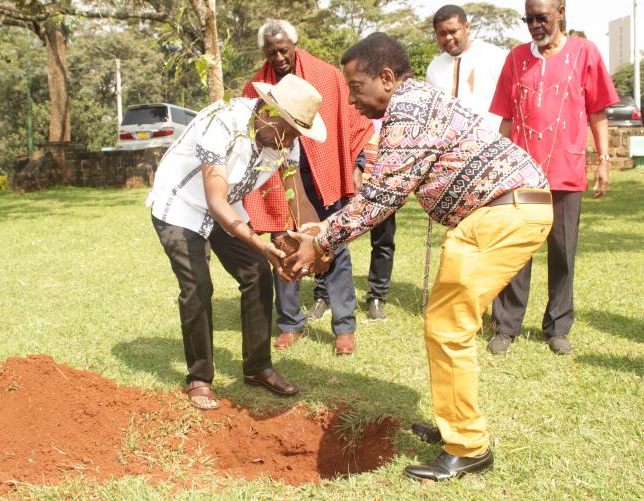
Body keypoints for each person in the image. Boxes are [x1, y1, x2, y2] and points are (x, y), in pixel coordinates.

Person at [285, 33, 553, 481]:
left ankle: (468, 446)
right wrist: (323, 230)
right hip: (506, 210)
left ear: (387, 78)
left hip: (503, 213)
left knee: (448, 326)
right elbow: (385, 188)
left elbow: (381, 197)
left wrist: (323, 238)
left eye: (355, 87)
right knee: (445, 322)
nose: (352, 101)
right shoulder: (413, 101)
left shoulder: (407, 111)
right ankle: (455, 427)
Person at [146, 74, 325, 410]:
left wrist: (315, 238)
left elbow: (296, 196)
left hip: (227, 209)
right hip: (180, 206)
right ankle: (199, 377)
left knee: (257, 273)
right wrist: (261, 243)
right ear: (270, 113)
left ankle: (258, 367)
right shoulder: (222, 120)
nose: (290, 142)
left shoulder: (286, 140)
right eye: (290, 131)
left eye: (297, 134)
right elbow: (215, 201)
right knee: (197, 284)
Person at [487, 0, 618, 355]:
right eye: (528, 18)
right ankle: (506, 326)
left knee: (562, 250)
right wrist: (497, 166)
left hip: (566, 170)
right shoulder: (515, 58)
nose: (534, 25)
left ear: (559, 12)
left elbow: (597, 110)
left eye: (540, 17)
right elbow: (506, 119)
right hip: (522, 175)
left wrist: (604, 159)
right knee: (517, 250)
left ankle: (558, 326)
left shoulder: (583, 52)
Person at [241, 19, 378, 355]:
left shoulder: (325, 75)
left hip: (322, 174)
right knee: (283, 245)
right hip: (277, 178)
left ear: (295, 44)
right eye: (271, 52)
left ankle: (344, 326)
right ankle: (289, 323)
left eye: (284, 50)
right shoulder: (254, 86)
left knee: (333, 244)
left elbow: (354, 119)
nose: (279, 57)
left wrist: (358, 166)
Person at [425, 4, 507, 130]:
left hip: (491, 143)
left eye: (453, 31)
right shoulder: (434, 68)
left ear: (467, 27)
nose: (448, 38)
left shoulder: (494, 56)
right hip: (449, 146)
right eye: (442, 33)